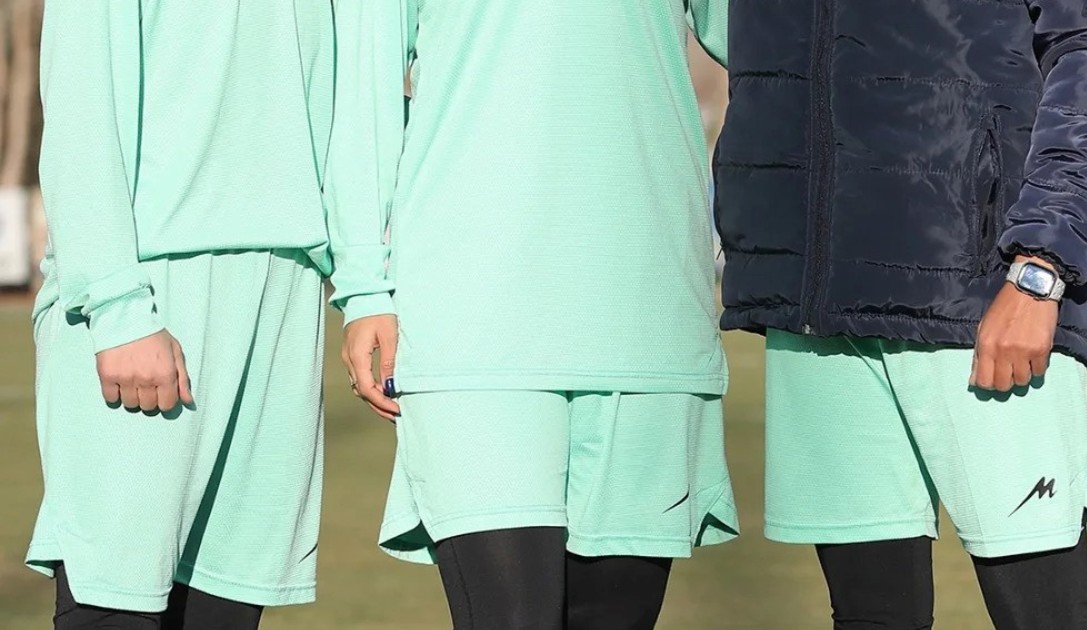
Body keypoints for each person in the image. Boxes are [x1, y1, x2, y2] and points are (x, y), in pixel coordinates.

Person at [714, 2, 1087, 629]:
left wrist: (1042, 264)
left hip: (981, 294)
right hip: (811, 302)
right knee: (869, 614)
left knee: (1046, 613)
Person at [325, 2, 739, 628]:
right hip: (470, 319)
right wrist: (363, 288)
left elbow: (770, 43)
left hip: (648, 315)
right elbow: (363, 94)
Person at [29, 2, 335, 628]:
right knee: (114, 603)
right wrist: (118, 305)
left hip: (285, 289)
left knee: (222, 607)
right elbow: (81, 104)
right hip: (151, 292)